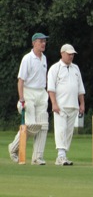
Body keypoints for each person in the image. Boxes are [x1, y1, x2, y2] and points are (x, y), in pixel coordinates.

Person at [8, 33, 50, 165]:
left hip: (41, 93)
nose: (43, 44)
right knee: (31, 126)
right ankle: (13, 147)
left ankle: (37, 157)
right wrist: (22, 99)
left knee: (43, 125)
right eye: (40, 41)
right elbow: (21, 81)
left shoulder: (44, 58)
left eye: (44, 41)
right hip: (29, 93)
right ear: (33, 43)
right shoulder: (27, 58)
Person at [47, 44, 85, 166]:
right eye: (69, 54)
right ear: (62, 53)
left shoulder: (76, 68)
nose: (71, 56)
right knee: (61, 130)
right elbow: (51, 88)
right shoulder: (55, 68)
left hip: (73, 105)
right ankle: (60, 156)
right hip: (60, 106)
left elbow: (80, 88)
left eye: (72, 54)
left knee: (69, 132)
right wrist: (54, 104)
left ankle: (63, 155)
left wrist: (82, 104)